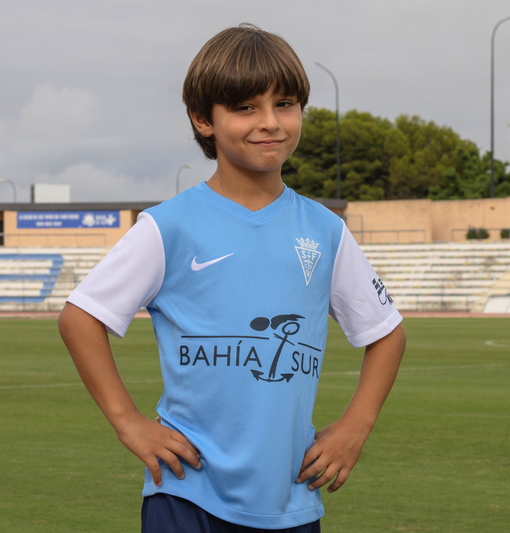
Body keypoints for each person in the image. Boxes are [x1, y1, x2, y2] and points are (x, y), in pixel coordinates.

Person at [58, 23, 406, 533]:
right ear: (204, 120)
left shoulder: (325, 231)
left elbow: (386, 333)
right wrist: (129, 424)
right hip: (187, 495)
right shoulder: (169, 226)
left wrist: (356, 424)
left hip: (290, 498)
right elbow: (80, 318)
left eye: (284, 104)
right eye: (246, 108)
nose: (270, 122)